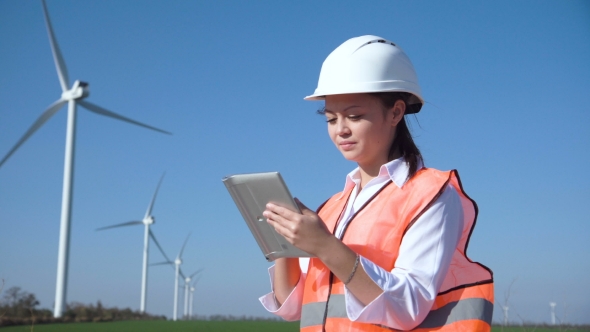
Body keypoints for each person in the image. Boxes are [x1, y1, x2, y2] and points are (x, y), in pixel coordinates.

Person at [259, 35, 494, 331]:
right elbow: (293, 306)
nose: (341, 130)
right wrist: (284, 243)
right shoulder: (331, 208)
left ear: (396, 112)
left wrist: (325, 245)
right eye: (331, 119)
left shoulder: (432, 194)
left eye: (354, 116)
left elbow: (408, 307)